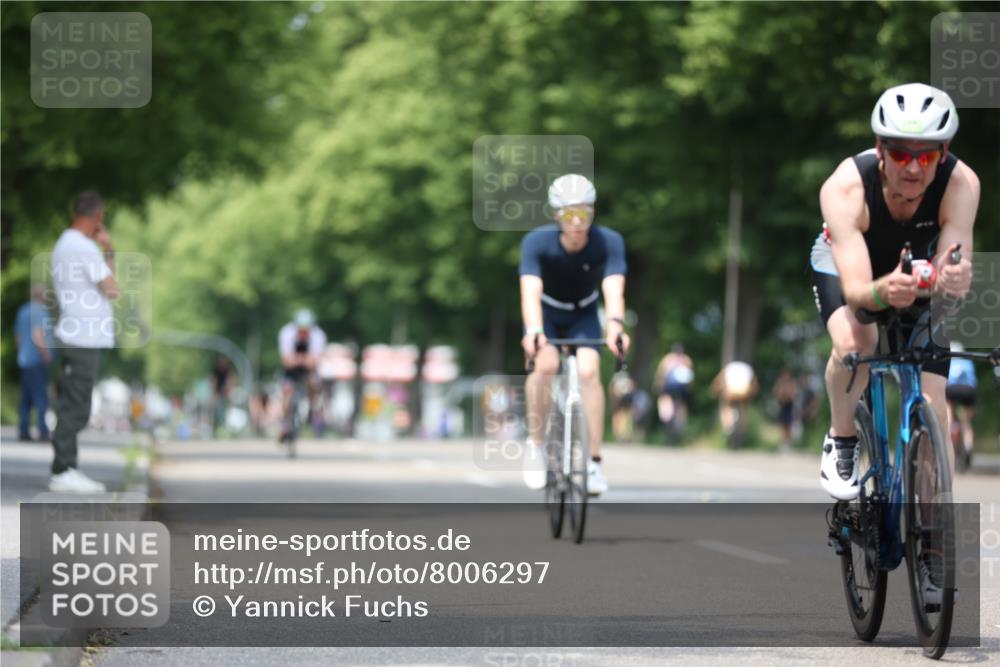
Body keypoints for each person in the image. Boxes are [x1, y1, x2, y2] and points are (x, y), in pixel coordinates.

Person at [810, 83, 978, 503]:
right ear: (880, 149)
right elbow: (857, 291)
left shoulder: (961, 184)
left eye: (927, 156)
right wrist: (883, 291)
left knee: (934, 402)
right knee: (857, 342)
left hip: (914, 266)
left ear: (944, 153)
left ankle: (933, 515)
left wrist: (953, 280)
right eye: (902, 154)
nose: (914, 168)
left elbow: (953, 261)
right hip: (848, 264)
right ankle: (842, 437)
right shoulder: (845, 187)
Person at [519, 174, 630, 496]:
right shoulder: (536, 242)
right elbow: (530, 291)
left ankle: (594, 462)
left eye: (585, 213)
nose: (578, 221)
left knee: (589, 372)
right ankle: (536, 446)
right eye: (569, 214)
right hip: (547, 313)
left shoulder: (609, 242)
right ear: (557, 214)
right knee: (546, 365)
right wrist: (534, 331)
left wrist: (616, 327)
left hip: (584, 312)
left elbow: (613, 287)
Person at [49, 191, 119, 493]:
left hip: (73, 333)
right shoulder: (84, 247)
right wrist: (108, 249)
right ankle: (63, 470)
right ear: (98, 217)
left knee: (73, 402)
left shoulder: (63, 244)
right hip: (83, 337)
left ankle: (67, 468)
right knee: (76, 407)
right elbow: (112, 288)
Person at [277, 308, 327, 442]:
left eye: (306, 330)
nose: (303, 333)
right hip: (290, 370)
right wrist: (304, 359)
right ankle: (285, 425)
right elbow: (287, 361)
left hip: (308, 370)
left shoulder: (318, 336)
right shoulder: (286, 333)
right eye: (301, 330)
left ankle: (312, 411)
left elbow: (314, 362)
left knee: (314, 384)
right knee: (286, 391)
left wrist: (298, 359)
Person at [14, 284, 54, 442]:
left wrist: (23, 351)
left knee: (26, 398)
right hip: (37, 360)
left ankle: (23, 430)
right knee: (40, 397)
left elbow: (18, 337)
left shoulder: (23, 311)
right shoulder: (40, 311)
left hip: (24, 360)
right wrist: (46, 354)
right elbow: (38, 335)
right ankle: (43, 431)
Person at [945, 341, 977, 470]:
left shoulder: (948, 362)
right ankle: (968, 447)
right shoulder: (968, 362)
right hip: (969, 390)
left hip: (952, 389)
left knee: (950, 416)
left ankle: (951, 440)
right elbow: (974, 380)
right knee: (966, 422)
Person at [654, 343, 694, 441]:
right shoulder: (686, 359)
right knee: (681, 406)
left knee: (665, 402)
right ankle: (678, 425)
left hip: (670, 387)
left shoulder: (668, 359)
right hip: (681, 389)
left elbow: (661, 373)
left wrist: (658, 384)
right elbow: (691, 377)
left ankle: (667, 420)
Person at [711, 360, 758, 440]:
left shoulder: (729, 367)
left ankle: (728, 427)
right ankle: (743, 430)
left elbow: (718, 380)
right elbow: (755, 384)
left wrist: (715, 391)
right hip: (744, 391)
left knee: (727, 407)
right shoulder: (748, 368)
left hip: (731, 391)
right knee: (743, 409)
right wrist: (751, 394)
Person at [772, 367, 799, 451]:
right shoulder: (780, 383)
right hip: (782, 406)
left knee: (789, 425)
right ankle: (783, 443)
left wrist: (787, 396)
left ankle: (788, 443)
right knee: (782, 425)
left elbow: (794, 395)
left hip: (789, 407)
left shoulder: (792, 383)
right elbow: (775, 393)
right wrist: (781, 396)